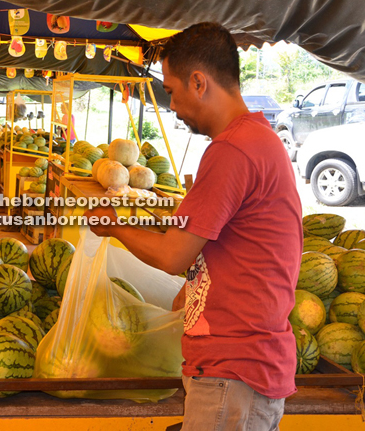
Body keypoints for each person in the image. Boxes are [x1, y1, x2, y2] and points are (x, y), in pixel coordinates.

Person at [85, 23, 302, 430]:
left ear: (198, 82)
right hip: (241, 369)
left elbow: (173, 254)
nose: (173, 105)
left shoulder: (232, 150)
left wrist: (113, 227)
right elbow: (231, 245)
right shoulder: (256, 140)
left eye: (171, 90)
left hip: (233, 372)